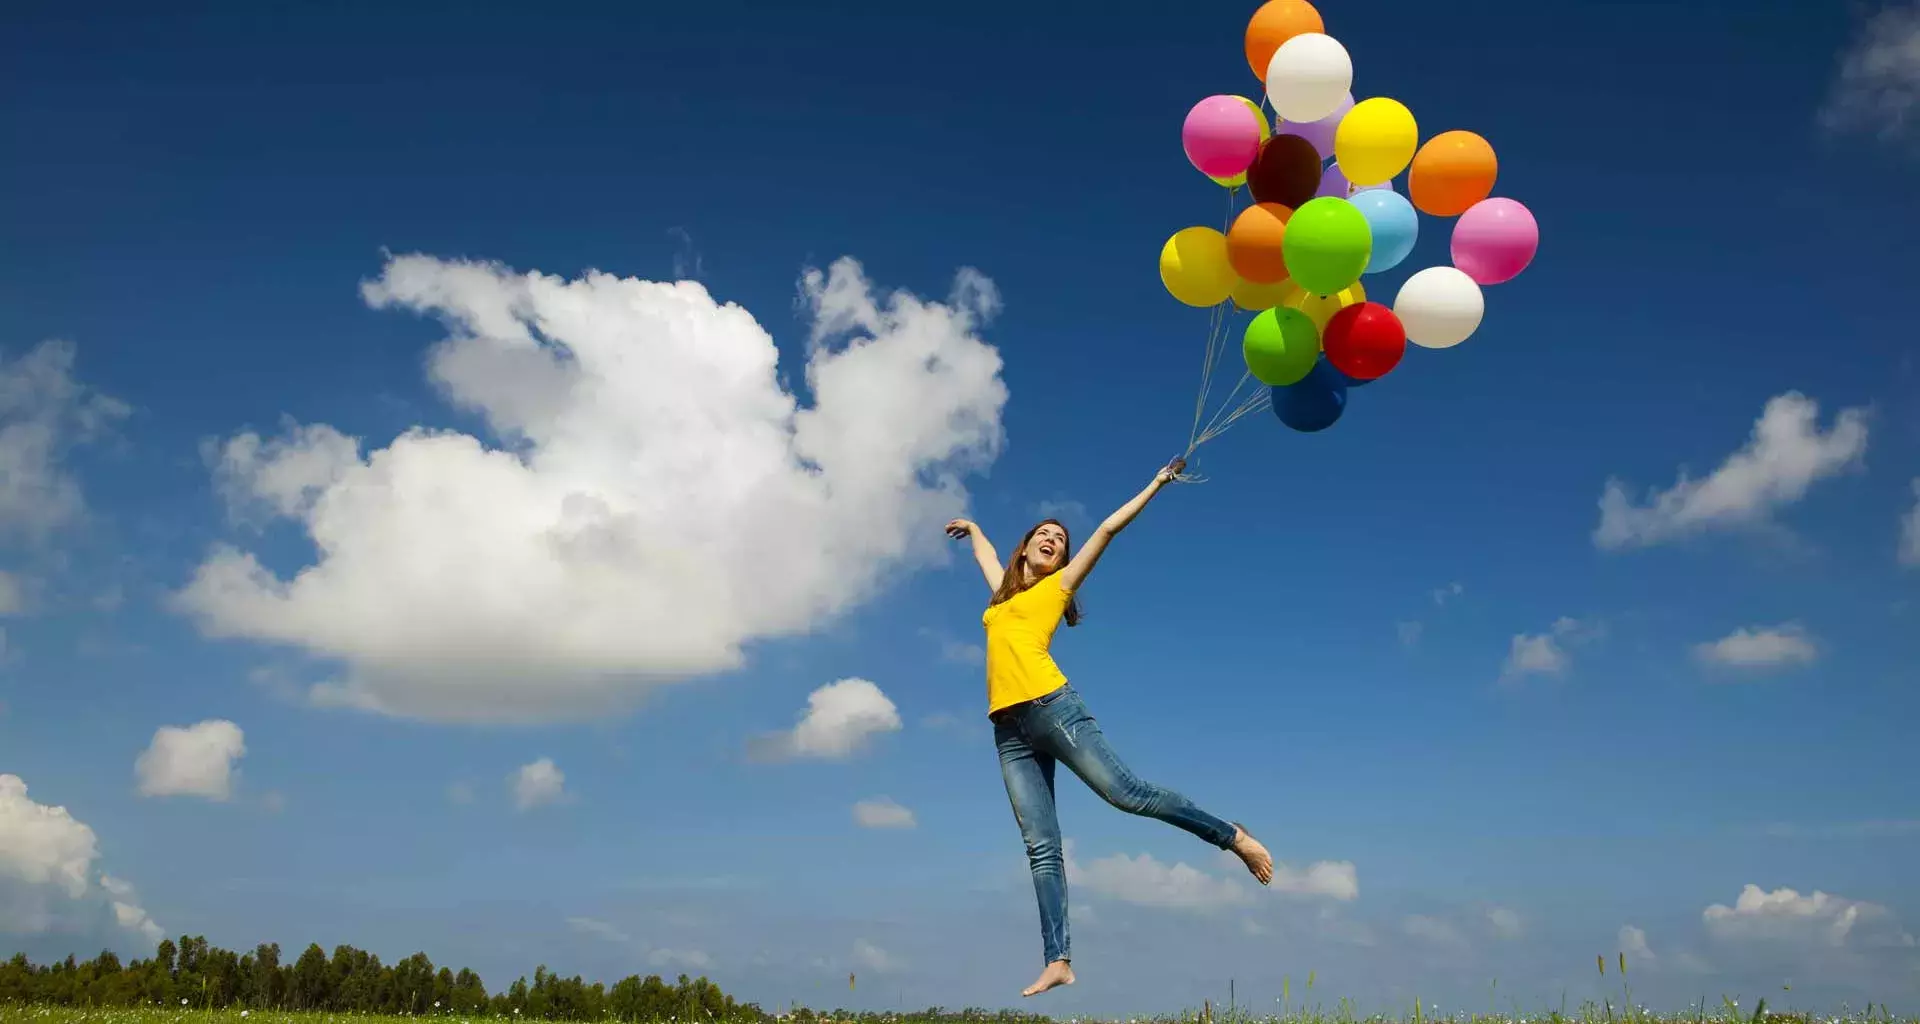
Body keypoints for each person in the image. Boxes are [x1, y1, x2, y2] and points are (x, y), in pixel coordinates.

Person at [944, 456, 1274, 998]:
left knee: (1127, 794)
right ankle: (1059, 959)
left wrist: (1157, 483)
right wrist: (977, 529)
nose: (1053, 540)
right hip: (1008, 732)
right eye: (1043, 534)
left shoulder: (1057, 588)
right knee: (1040, 847)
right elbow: (985, 558)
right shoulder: (1001, 599)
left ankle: (1232, 836)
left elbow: (1107, 528)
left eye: (1059, 539)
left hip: (1053, 709)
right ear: (1024, 547)